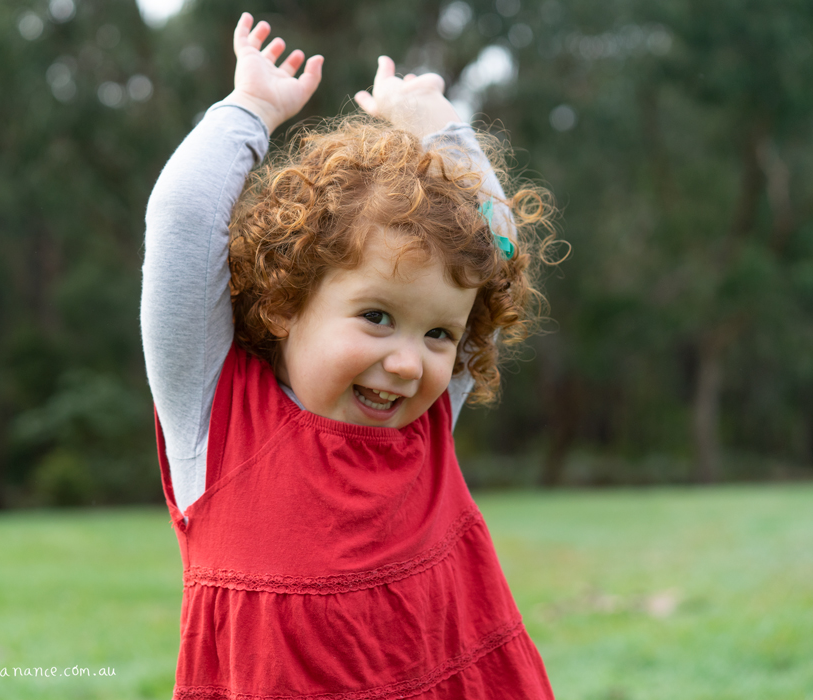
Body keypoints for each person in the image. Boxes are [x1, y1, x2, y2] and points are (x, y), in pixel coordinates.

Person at [142, 10, 555, 699]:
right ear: (284, 303)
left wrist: (439, 126)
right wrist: (250, 108)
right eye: (375, 317)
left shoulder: (421, 421)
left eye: (438, 335)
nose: (406, 362)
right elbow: (184, 221)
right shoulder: (214, 418)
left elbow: (497, 248)